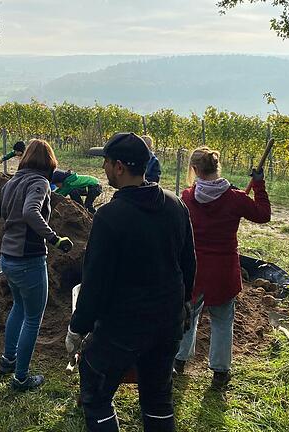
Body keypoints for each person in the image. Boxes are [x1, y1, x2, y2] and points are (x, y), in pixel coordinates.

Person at [65, 132, 196, 432]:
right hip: (167, 323)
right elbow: (189, 264)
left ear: (120, 167)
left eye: (107, 162)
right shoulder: (176, 206)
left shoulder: (111, 216)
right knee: (158, 399)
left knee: (96, 394)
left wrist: (77, 328)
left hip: (123, 328)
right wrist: (184, 305)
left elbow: (95, 281)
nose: (105, 168)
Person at [172, 147, 270, 391]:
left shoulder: (187, 197)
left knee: (189, 317)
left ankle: (179, 362)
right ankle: (220, 372)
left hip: (195, 271)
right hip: (224, 271)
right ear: (218, 167)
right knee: (223, 322)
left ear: (195, 170)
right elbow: (263, 215)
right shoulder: (235, 198)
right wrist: (258, 185)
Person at [0, 139, 73, 391]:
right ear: (49, 161)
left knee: (18, 306)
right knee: (32, 318)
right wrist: (54, 238)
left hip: (7, 256)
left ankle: (8, 360)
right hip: (28, 259)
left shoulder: (12, 182)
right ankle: (21, 378)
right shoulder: (39, 182)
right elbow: (31, 212)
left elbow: (7, 214)